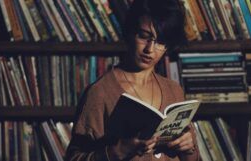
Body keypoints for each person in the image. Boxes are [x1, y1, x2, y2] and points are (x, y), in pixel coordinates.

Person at [65, 0, 199, 160]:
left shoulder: (173, 90)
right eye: (144, 36)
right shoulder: (100, 93)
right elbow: (74, 158)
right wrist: (117, 151)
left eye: (161, 42)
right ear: (130, 33)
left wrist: (188, 149)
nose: (150, 49)